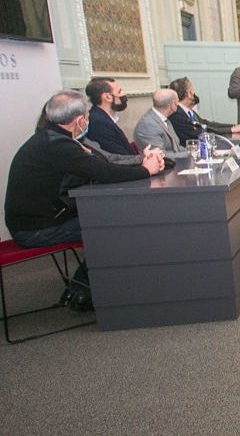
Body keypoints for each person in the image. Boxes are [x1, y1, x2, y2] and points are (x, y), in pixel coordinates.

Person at [5, 90, 166, 311]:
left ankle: (89, 286)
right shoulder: (58, 146)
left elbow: (102, 164)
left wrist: (141, 163)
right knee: (114, 226)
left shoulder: (50, 138)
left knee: (112, 219)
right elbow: (104, 173)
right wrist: (146, 170)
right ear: (80, 120)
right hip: (36, 230)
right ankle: (81, 292)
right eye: (87, 118)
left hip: (39, 220)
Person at [166, 78, 240, 143]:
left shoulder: (187, 111)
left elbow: (206, 124)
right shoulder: (177, 114)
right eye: (192, 89)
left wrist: (232, 126)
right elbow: (200, 132)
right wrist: (230, 130)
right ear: (189, 93)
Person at [83, 77, 135, 155]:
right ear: (107, 97)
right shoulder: (99, 123)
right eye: (119, 92)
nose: (122, 95)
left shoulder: (101, 117)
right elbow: (118, 156)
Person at [133, 89, 188, 158]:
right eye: (177, 102)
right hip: (164, 166)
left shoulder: (164, 118)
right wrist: (190, 154)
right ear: (172, 105)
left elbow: (176, 147)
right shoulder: (148, 125)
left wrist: (193, 151)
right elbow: (161, 156)